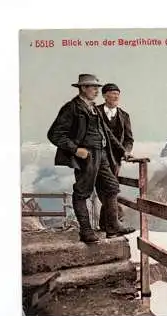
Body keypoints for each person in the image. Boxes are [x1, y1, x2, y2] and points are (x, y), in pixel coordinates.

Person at [47, 74, 135, 243]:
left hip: (102, 155)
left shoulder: (94, 107)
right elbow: (54, 134)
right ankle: (86, 231)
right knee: (82, 193)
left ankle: (112, 227)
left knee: (111, 187)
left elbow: (107, 134)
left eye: (97, 88)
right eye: (93, 87)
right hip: (86, 156)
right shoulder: (72, 107)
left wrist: (123, 151)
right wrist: (75, 149)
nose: (96, 91)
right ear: (82, 88)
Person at [96, 83, 134, 231]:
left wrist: (127, 151)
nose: (116, 96)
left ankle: (105, 225)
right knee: (104, 189)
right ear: (105, 95)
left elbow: (129, 139)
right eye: (112, 93)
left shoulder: (124, 115)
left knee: (108, 190)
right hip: (98, 157)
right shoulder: (96, 112)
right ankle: (117, 217)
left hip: (116, 159)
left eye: (118, 93)